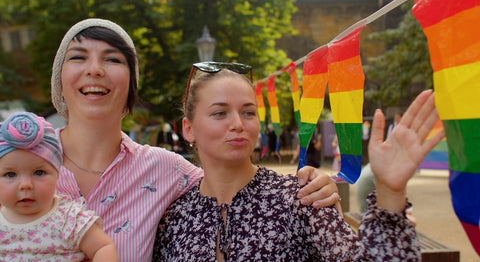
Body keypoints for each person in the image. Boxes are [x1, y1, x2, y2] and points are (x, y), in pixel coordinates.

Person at [50, 18, 340, 261]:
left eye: (112, 59)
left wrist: (316, 185)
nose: (95, 69)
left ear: (131, 86)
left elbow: (225, 177)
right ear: (59, 80)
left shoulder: (164, 171)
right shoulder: (12, 158)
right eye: (78, 57)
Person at [152, 62, 444, 261]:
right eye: (220, 113)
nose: (238, 123)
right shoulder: (173, 217)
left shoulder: (302, 197)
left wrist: (390, 191)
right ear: (188, 128)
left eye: (249, 112)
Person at [0, 112, 118, 261]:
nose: (26, 185)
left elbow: (103, 247)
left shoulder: (68, 218)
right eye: (10, 175)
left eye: (39, 172)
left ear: (57, 174)